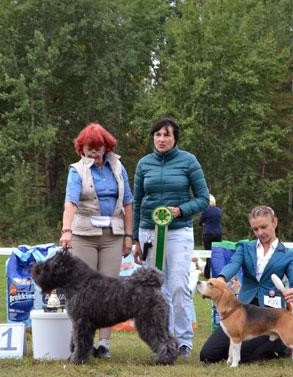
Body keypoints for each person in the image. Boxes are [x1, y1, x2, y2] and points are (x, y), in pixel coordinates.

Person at [132, 117, 209, 358]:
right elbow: (136, 203)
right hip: (148, 232)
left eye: (167, 135)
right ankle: (161, 341)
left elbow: (203, 198)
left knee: (177, 286)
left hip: (179, 232)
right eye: (158, 135)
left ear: (175, 138)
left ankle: (184, 341)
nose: (162, 139)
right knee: (155, 290)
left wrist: (180, 210)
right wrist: (135, 237)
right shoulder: (144, 164)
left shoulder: (189, 161)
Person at [60, 123, 134, 359]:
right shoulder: (76, 170)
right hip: (84, 235)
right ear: (81, 148)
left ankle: (104, 344)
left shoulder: (118, 167)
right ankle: (81, 345)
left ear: (106, 147)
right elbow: (71, 202)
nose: (92, 153)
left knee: (110, 290)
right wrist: (66, 230)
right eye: (87, 148)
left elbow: (128, 203)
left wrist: (128, 236)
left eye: (97, 148)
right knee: (83, 293)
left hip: (113, 234)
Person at [199, 205, 293, 364]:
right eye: (255, 229)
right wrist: (221, 277)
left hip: (269, 314)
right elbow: (232, 265)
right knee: (208, 354)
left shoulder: (287, 254)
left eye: (264, 227)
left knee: (244, 355)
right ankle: (269, 346)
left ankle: (276, 343)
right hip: (243, 308)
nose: (260, 233)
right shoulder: (245, 248)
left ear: (274, 222)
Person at [198, 194, 223, 278]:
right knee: (216, 254)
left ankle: (208, 274)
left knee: (209, 254)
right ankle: (217, 273)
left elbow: (200, 222)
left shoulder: (205, 210)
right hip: (218, 233)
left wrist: (204, 223)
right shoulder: (219, 210)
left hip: (208, 233)